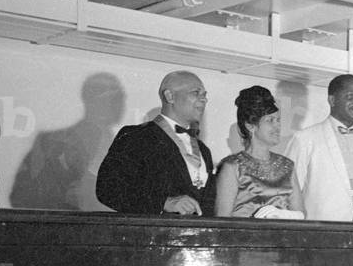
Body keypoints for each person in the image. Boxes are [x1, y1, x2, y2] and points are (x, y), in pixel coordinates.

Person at [96, 70, 215, 215]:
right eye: (196, 93)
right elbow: (108, 189)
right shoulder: (136, 136)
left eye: (204, 95)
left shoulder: (204, 150)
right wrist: (164, 202)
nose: (204, 100)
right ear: (169, 96)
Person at [285, 73, 353, 222]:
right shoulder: (305, 138)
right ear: (332, 100)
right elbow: (288, 192)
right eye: (350, 97)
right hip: (322, 228)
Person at [214, 86, 302, 219]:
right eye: (270, 120)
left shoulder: (287, 165)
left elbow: (301, 213)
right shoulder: (232, 167)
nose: (277, 126)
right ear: (250, 126)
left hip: (284, 238)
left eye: (278, 120)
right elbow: (222, 220)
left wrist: (283, 214)